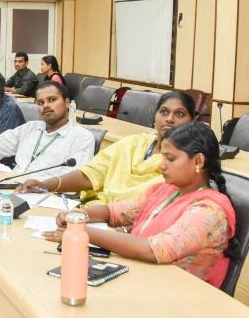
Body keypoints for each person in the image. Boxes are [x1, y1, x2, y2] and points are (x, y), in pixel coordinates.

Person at [42, 122, 237, 288]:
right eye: (162, 157)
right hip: (145, 279)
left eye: (170, 158)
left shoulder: (209, 212)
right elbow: (114, 212)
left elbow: (152, 250)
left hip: (179, 296)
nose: (161, 165)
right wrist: (78, 215)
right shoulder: (166, 190)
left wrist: (81, 231)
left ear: (198, 161)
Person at [20, 90, 197, 205]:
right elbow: (93, 173)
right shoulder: (133, 143)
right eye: (164, 112)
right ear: (155, 116)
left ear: (192, 121)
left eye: (179, 114)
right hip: (93, 214)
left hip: (128, 227)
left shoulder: (185, 164)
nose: (170, 119)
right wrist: (46, 185)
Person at [0, 82, 95, 179]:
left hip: (47, 196)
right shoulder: (30, 128)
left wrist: (43, 186)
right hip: (13, 187)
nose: (46, 106)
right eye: (40, 103)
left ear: (67, 103)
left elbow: (76, 178)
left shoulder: (82, 137)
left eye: (52, 100)